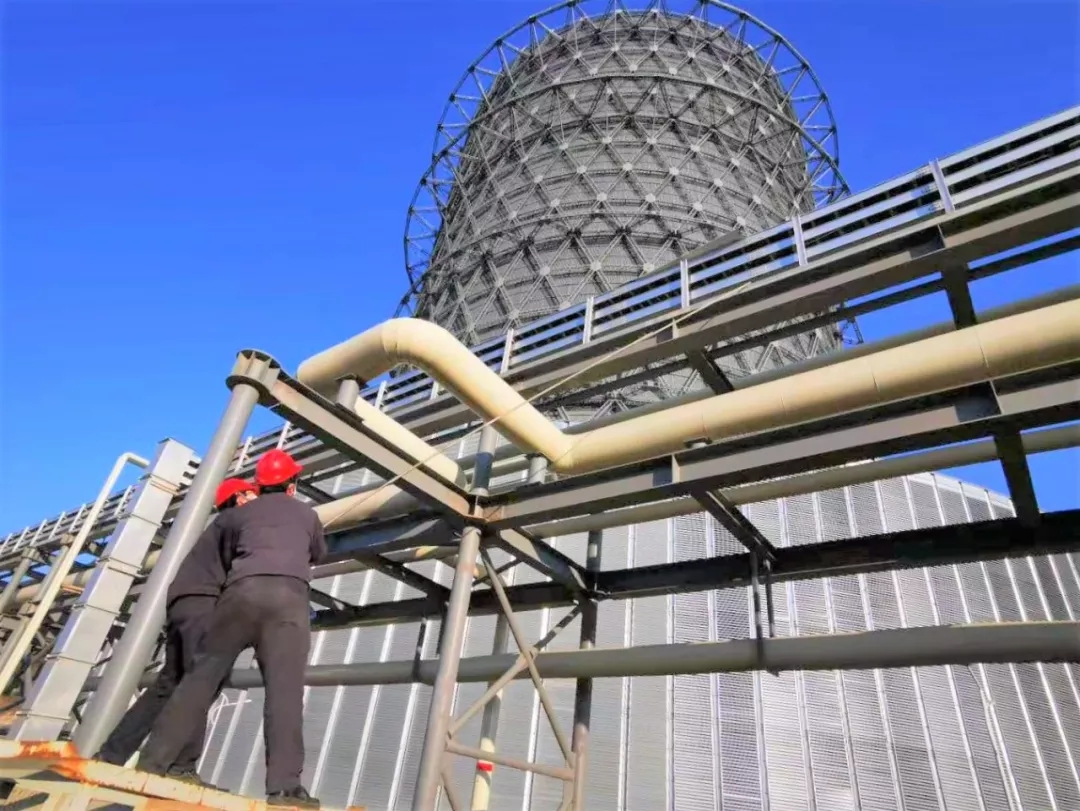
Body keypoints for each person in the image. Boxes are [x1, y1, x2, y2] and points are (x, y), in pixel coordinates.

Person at [137, 449, 327, 809]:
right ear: (292, 485)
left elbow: (224, 555)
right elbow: (318, 553)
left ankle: (151, 764)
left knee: (199, 680)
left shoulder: (236, 516)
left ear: (259, 485)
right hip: (289, 601)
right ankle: (285, 789)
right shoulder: (308, 514)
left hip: (240, 596)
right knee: (285, 691)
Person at [95, 478, 258, 785]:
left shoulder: (218, 527)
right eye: (253, 493)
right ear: (239, 498)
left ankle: (112, 753)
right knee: (202, 681)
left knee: (169, 684)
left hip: (184, 606)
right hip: (207, 605)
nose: (258, 498)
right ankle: (180, 767)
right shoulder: (241, 521)